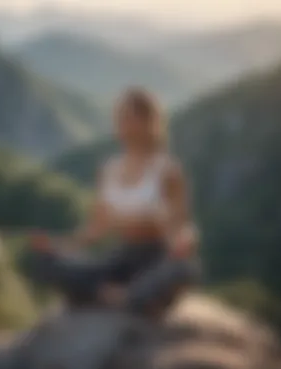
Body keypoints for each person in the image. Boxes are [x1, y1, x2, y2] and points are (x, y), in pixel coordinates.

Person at [29, 88, 200, 316]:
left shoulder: (168, 171)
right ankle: (118, 296)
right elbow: (95, 229)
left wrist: (184, 241)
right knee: (45, 263)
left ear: (150, 122)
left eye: (129, 118)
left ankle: (119, 296)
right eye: (119, 118)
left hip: (155, 259)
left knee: (183, 269)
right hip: (119, 258)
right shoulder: (109, 169)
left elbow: (182, 226)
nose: (122, 124)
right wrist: (59, 246)